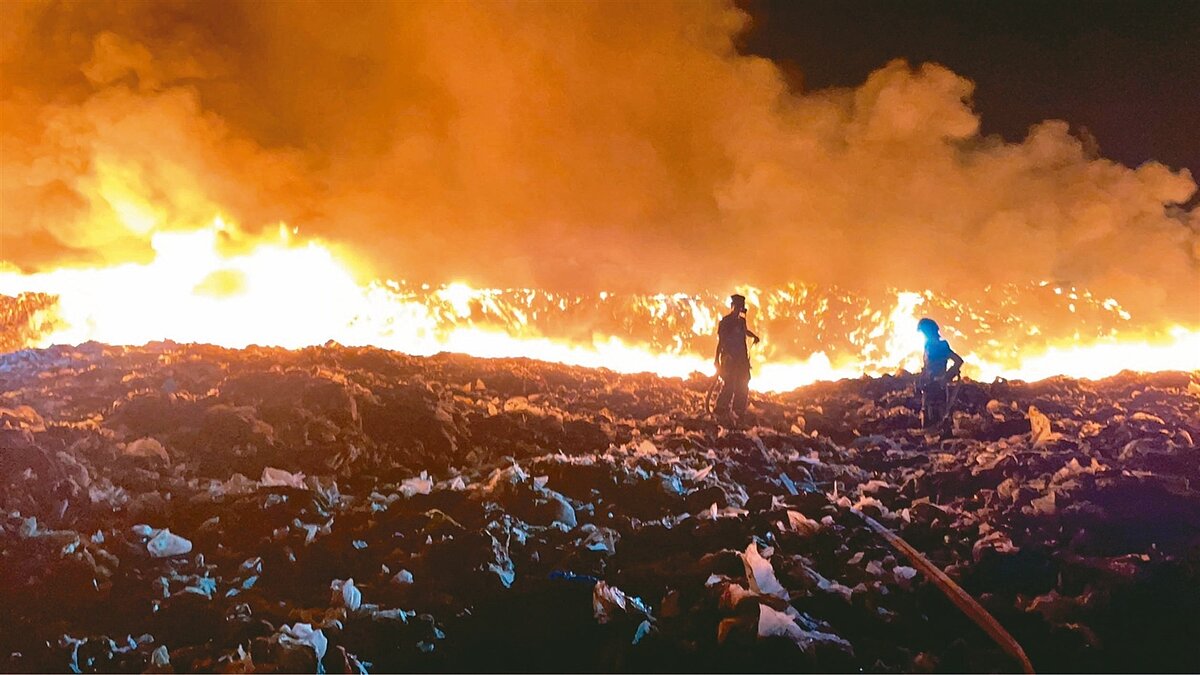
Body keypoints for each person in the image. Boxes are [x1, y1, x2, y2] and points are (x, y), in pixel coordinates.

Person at [714, 294, 760, 424]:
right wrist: (716, 359)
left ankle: (738, 411)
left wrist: (754, 336)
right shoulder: (725, 322)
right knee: (729, 385)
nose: (739, 310)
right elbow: (721, 341)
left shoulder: (741, 321)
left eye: (741, 308)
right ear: (733, 306)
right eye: (738, 307)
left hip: (741, 359)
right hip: (729, 359)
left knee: (743, 384)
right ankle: (721, 410)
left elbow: (745, 331)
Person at [916, 317, 964, 429]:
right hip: (928, 386)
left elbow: (958, 360)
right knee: (927, 414)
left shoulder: (941, 346)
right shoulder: (928, 345)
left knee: (937, 415)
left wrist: (946, 377)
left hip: (937, 387)